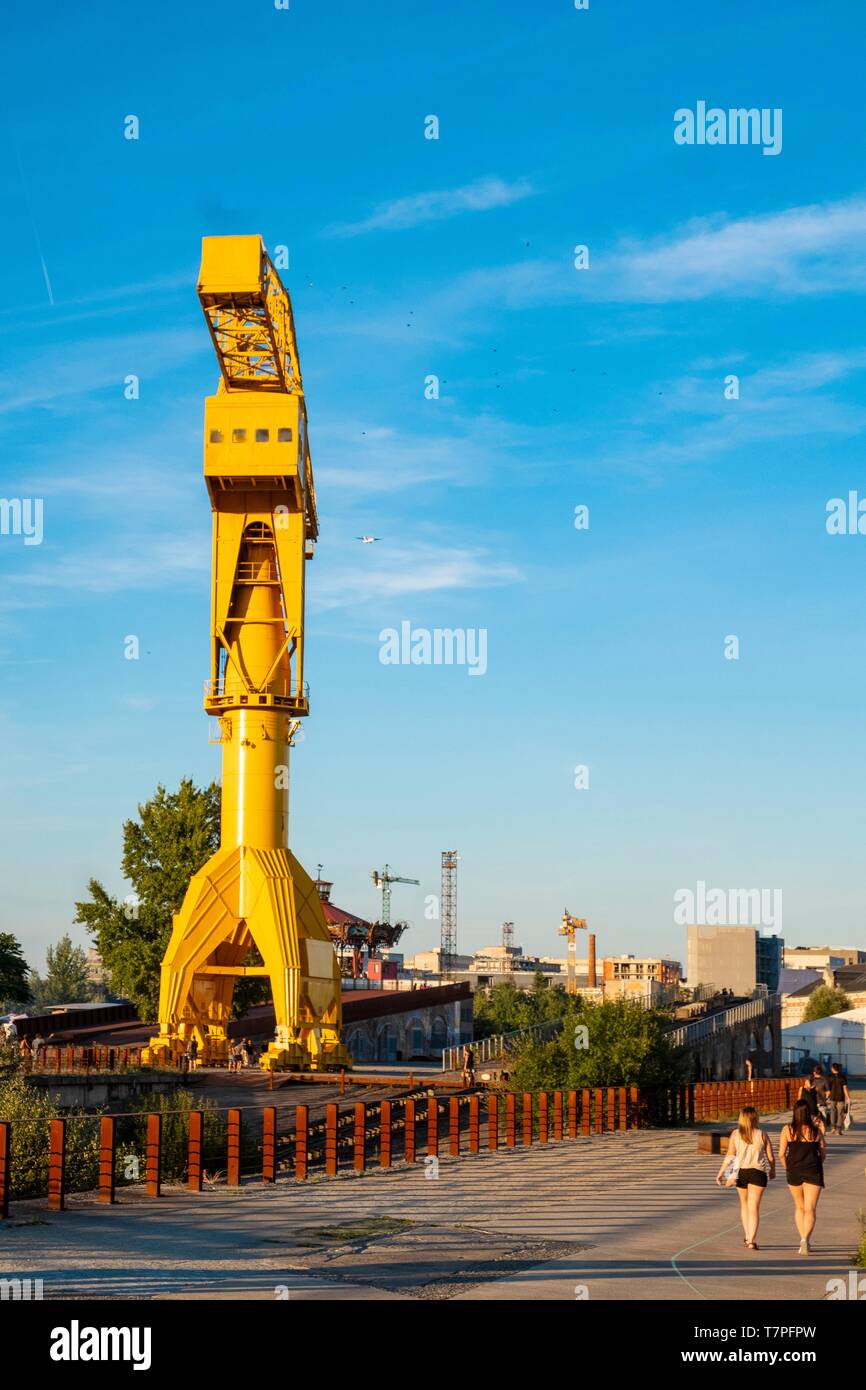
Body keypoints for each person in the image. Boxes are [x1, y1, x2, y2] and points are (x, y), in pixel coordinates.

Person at [715, 1105, 775, 1250]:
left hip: (741, 1173)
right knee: (754, 1207)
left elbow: (730, 1156)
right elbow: (770, 1156)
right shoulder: (762, 1134)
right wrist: (772, 1170)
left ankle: (747, 1234)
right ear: (755, 1118)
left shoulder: (735, 1134)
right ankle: (751, 1240)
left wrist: (721, 1172)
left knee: (744, 1205)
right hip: (758, 1172)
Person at [779, 1099, 826, 1255]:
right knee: (810, 1208)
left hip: (794, 1172)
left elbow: (781, 1154)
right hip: (813, 1171)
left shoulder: (787, 1129)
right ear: (808, 1114)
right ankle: (805, 1239)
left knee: (799, 1207)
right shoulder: (815, 1131)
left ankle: (801, 1240)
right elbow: (823, 1154)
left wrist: (789, 1168)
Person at [828, 1063, 851, 1135]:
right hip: (840, 1097)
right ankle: (838, 1130)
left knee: (832, 1112)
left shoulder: (829, 1077)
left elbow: (828, 1089)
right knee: (840, 1113)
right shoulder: (842, 1077)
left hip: (832, 1097)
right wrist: (848, 1098)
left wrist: (827, 1098)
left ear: (832, 1069)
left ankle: (832, 1128)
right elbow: (845, 1088)